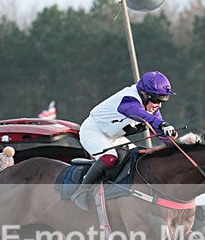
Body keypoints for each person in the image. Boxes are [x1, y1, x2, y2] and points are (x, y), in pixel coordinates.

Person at [72, 71, 178, 211]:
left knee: (139, 156)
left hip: (112, 136)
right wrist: (161, 124)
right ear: (145, 94)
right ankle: (81, 192)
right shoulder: (129, 99)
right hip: (93, 131)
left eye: (162, 101)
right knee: (110, 157)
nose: (159, 105)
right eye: (156, 100)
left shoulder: (152, 106)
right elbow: (140, 114)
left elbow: (160, 130)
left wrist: (175, 148)